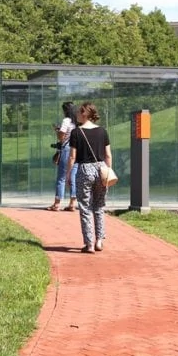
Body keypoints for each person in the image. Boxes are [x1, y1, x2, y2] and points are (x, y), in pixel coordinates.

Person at [68, 102, 112, 253]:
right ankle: (99, 240)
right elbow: (108, 155)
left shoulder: (76, 132)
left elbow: (72, 157)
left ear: (84, 114)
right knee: (99, 206)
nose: (77, 115)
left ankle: (89, 244)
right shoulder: (102, 131)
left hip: (84, 170)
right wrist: (108, 172)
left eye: (79, 113)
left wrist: (69, 175)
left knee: (85, 207)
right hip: (101, 169)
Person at [46, 101, 78, 211]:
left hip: (67, 149)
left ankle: (57, 203)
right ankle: (72, 203)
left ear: (65, 110)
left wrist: (57, 130)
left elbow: (61, 137)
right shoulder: (77, 122)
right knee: (72, 177)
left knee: (61, 177)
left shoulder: (66, 120)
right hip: (77, 150)